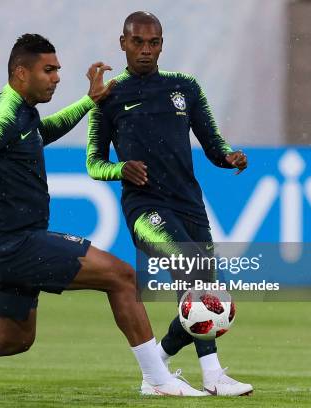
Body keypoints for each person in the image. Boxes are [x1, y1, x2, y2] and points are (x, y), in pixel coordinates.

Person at [0, 33, 205, 397]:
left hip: (1, 248)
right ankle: (157, 380)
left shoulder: (20, 113)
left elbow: (42, 132)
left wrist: (87, 102)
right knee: (122, 276)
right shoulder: (1, 118)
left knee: (14, 339)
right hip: (16, 244)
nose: (57, 77)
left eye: (58, 70)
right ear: (21, 73)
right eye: (48, 70)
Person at [86, 12, 253, 396]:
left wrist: (229, 157)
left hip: (189, 204)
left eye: (154, 43)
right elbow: (94, 163)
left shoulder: (186, 88)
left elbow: (213, 143)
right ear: (122, 43)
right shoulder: (108, 97)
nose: (146, 50)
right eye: (138, 42)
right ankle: (213, 377)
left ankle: (157, 363)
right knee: (193, 273)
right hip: (145, 209)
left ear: (162, 44)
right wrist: (120, 170)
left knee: (205, 294)